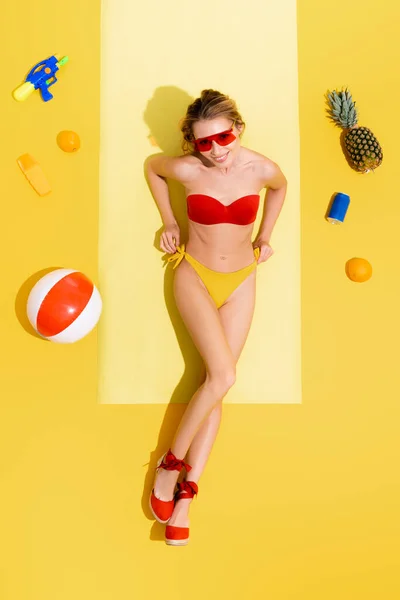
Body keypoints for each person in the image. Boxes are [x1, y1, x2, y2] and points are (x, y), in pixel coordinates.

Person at [145, 89, 287, 546]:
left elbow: (281, 187)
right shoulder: (188, 169)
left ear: (238, 129)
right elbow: (153, 168)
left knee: (216, 382)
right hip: (196, 275)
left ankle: (184, 498)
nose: (216, 150)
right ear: (194, 143)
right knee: (222, 375)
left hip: (242, 279)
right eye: (204, 142)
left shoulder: (262, 169)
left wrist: (265, 235)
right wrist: (169, 221)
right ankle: (170, 464)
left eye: (223, 138)